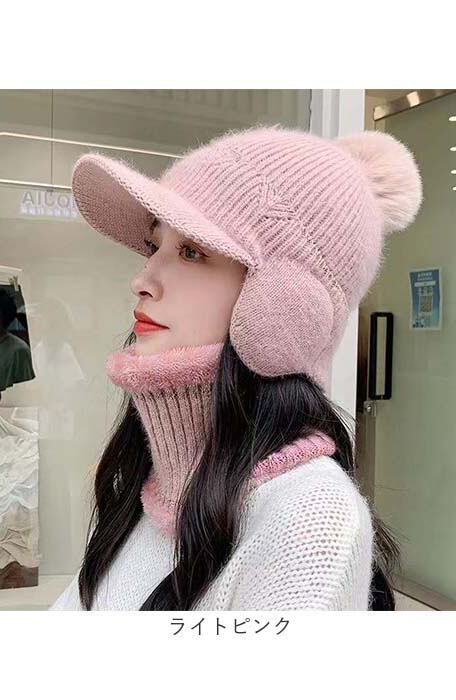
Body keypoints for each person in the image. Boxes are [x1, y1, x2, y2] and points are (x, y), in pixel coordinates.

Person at [49, 124, 423, 611]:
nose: (142, 279)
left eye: (191, 252)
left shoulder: (310, 516)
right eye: (154, 246)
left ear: (283, 305)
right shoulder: (153, 482)